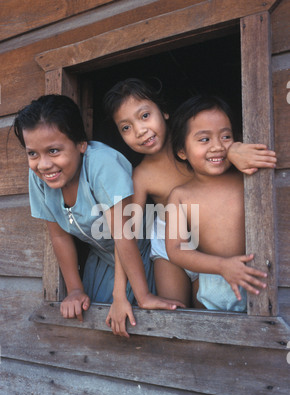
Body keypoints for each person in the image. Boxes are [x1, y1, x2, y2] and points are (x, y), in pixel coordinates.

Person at [103, 79, 276, 330]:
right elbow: (125, 234)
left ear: (164, 112)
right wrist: (119, 295)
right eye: (126, 127)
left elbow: (216, 141)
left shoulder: (198, 139)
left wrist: (235, 149)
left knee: (213, 311)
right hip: (171, 242)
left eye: (145, 116)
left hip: (209, 239)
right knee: (178, 313)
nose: (140, 130)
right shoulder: (142, 175)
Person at [13, 94, 183, 324]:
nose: (43, 164)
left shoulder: (102, 163)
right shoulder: (40, 178)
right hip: (102, 258)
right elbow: (59, 236)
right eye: (33, 153)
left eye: (53, 151)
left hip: (142, 254)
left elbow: (123, 235)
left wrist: (138, 296)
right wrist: (74, 289)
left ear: (81, 144)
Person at [165, 95, 269, 312]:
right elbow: (175, 249)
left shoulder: (248, 177)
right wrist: (222, 267)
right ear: (182, 151)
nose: (217, 147)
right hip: (212, 279)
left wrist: (236, 151)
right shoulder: (180, 195)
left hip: (257, 275)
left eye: (226, 136)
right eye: (204, 139)